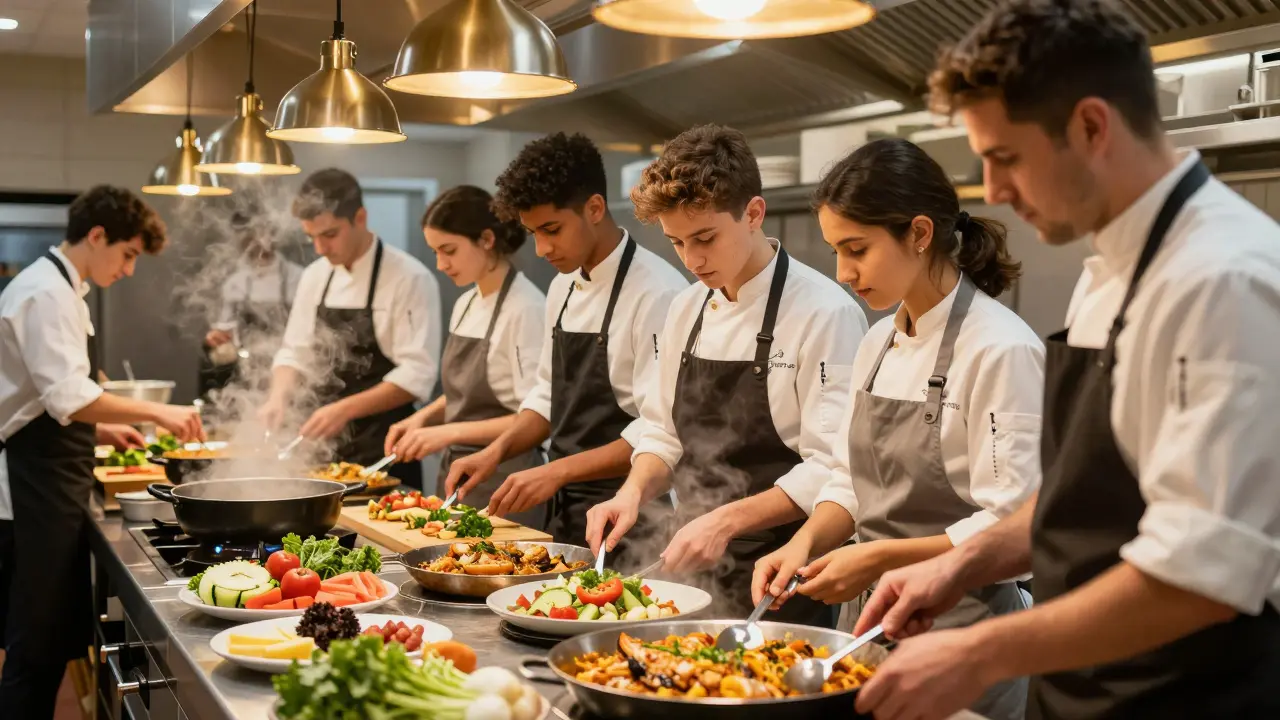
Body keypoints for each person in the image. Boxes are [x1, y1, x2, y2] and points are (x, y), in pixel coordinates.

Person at [849, 2, 1280, 719]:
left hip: (1184, 697)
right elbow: (1087, 502)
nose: (992, 192)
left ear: (1091, 126)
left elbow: (1203, 575)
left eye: (1005, 156)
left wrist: (981, 652)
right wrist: (958, 567)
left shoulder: (1221, 279)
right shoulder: (1107, 270)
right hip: (1083, 684)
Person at [749, 137, 1043, 718]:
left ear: (920, 233)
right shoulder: (877, 341)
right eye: (836, 250)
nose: (843, 272)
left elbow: (1015, 527)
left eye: (856, 249)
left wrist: (880, 559)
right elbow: (851, 478)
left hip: (962, 638)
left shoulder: (1001, 349)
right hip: (865, 629)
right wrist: (803, 542)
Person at [583, 125, 866, 622]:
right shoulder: (687, 307)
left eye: (705, 238)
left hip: (781, 575)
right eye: (676, 243)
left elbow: (833, 467)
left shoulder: (825, 313)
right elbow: (663, 433)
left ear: (753, 214)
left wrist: (725, 520)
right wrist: (630, 492)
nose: (692, 260)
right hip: (690, 567)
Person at [0, 185, 205, 718]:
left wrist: (103, 433)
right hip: (26, 487)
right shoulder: (46, 293)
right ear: (96, 236)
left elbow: (44, 397)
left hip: (47, 477)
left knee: (42, 644)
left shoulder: (62, 288)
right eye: (128, 254)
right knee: (33, 648)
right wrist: (158, 413)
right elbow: (69, 395)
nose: (129, 270)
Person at [444, 133, 687, 561]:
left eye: (552, 230)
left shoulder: (658, 293)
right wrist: (495, 452)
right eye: (532, 233)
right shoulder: (562, 287)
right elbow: (546, 396)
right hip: (564, 508)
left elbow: (660, 428)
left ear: (594, 208)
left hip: (628, 516)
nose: (541, 249)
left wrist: (554, 471)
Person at [260, 169, 441, 489]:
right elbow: (294, 351)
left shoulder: (409, 278)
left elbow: (417, 375)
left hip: (383, 450)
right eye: (311, 237)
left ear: (360, 217)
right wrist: (277, 398)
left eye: (329, 234)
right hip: (319, 451)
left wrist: (344, 410)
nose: (320, 248)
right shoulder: (316, 275)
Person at [384, 186, 548, 528]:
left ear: (487, 239)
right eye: (435, 253)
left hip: (507, 481)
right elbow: (463, 395)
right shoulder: (467, 302)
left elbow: (533, 416)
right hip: (458, 473)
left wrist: (447, 433)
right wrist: (423, 419)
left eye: (449, 251)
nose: (441, 265)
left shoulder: (526, 308)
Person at [199, 202, 304, 399]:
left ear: (272, 235)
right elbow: (226, 329)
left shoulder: (299, 278)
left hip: (289, 372)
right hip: (246, 372)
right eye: (245, 236)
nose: (251, 243)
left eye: (256, 234)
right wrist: (217, 338)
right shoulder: (235, 283)